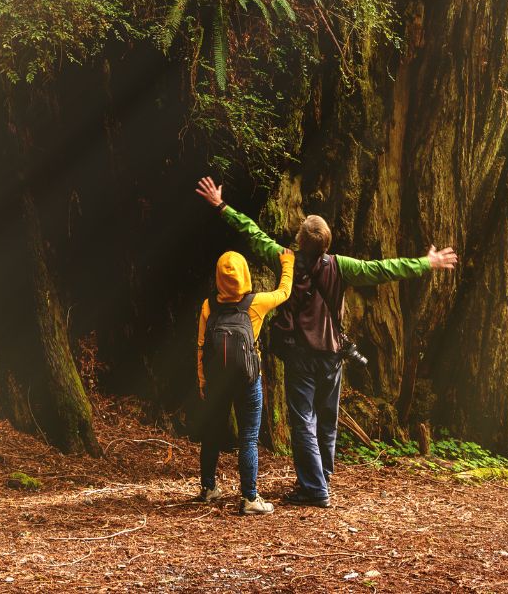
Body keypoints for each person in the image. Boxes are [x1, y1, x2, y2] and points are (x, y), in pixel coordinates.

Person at [194, 176, 457, 508]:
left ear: (301, 240)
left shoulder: (285, 257)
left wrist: (221, 205)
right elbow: (383, 269)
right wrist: (426, 263)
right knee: (326, 419)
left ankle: (315, 488)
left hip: (300, 355)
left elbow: (252, 233)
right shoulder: (340, 266)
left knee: (303, 418)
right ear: (325, 245)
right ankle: (320, 477)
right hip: (333, 354)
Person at [194, 240, 293, 515]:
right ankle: (250, 498)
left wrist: (202, 381)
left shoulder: (207, 306)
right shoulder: (256, 303)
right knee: (248, 439)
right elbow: (284, 291)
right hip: (248, 381)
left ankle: (208, 488)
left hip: (216, 383)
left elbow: (201, 347)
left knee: (211, 435)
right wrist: (288, 263)